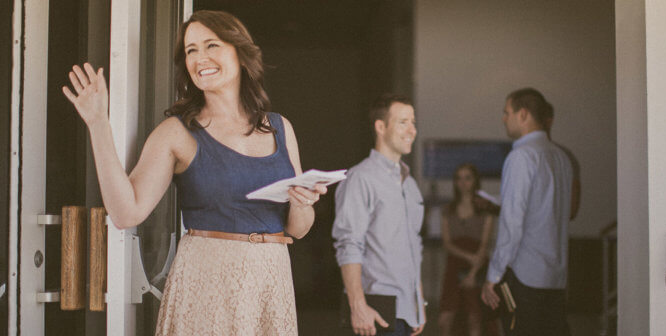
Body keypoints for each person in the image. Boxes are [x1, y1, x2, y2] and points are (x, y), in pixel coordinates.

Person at [62, 10, 326, 335]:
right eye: (191, 50)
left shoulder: (280, 127)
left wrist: (302, 204)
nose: (200, 58)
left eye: (211, 45)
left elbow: (297, 230)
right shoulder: (177, 133)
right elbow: (126, 212)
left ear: (239, 53)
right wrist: (98, 123)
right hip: (207, 282)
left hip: (270, 282)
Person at [481, 88, 573, 335]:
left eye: (506, 112)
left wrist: (493, 276)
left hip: (527, 277)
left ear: (522, 114)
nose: (503, 118)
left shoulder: (521, 157)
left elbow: (512, 223)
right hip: (556, 277)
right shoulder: (562, 157)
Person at [332, 94, 426, 336]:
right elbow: (349, 244)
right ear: (381, 127)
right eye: (403, 122)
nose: (412, 130)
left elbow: (414, 245)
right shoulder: (360, 178)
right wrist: (358, 306)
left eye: (413, 122)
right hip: (376, 313)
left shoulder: (410, 183)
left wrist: (419, 303)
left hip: (408, 311)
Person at [438, 164, 498, 336]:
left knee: (475, 317)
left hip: (478, 267)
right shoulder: (448, 209)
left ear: (475, 181)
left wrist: (472, 273)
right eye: (459, 178)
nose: (463, 182)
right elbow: (447, 243)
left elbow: (484, 245)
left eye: (467, 178)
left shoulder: (485, 209)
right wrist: (467, 256)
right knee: (445, 318)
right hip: (454, 265)